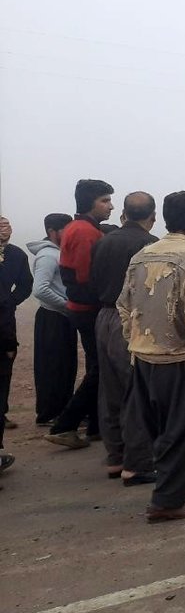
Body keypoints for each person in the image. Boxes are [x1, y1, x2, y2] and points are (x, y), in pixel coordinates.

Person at [118, 191, 185, 522]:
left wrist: (135, 342)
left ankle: (183, 480)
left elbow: (125, 306)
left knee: (161, 426)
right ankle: (168, 501)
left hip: (145, 356)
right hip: (182, 358)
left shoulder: (142, 255)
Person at [91, 193, 159, 482]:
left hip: (104, 317)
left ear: (125, 213)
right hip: (131, 320)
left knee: (110, 391)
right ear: (152, 215)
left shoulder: (104, 241)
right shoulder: (148, 245)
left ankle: (116, 457)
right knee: (137, 391)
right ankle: (139, 463)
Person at [46, 179, 114, 451]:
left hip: (82, 308)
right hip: (89, 310)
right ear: (89, 203)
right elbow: (88, 277)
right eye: (105, 200)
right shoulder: (85, 232)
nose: (110, 206)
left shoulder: (79, 228)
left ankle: (96, 425)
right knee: (100, 369)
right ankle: (65, 425)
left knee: (97, 366)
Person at [28, 213, 77, 426]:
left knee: (65, 365)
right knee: (52, 367)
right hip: (52, 317)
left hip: (61, 316)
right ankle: (48, 414)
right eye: (65, 230)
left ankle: (62, 410)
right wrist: (67, 306)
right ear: (52, 232)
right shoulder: (48, 256)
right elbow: (40, 289)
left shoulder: (57, 253)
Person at [0, 217, 33, 469]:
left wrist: (8, 302)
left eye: (7, 223)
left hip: (3, 330)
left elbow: (26, 284)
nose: (5, 226)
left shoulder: (15, 255)